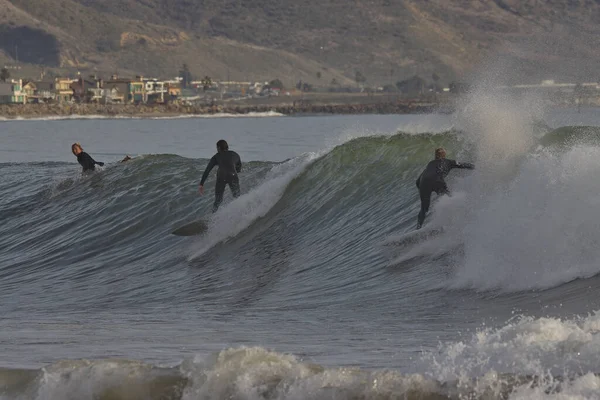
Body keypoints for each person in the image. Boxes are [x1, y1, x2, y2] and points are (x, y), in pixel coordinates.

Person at [415, 147, 474, 229]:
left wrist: (423, 191)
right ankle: (456, 222)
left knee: (424, 209)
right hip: (437, 180)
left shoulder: (430, 164)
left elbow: (417, 182)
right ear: (444, 155)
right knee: (450, 198)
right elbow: (464, 165)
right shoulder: (449, 162)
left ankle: (418, 228)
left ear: (436, 156)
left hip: (424, 183)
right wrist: (477, 167)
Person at [199, 140, 242, 213]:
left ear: (219, 148)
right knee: (237, 197)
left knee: (218, 201)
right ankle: (240, 213)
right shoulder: (235, 154)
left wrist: (201, 184)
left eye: (217, 148)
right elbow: (239, 168)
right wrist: (234, 172)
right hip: (233, 175)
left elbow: (207, 170)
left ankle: (213, 217)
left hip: (221, 176)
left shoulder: (216, 156)